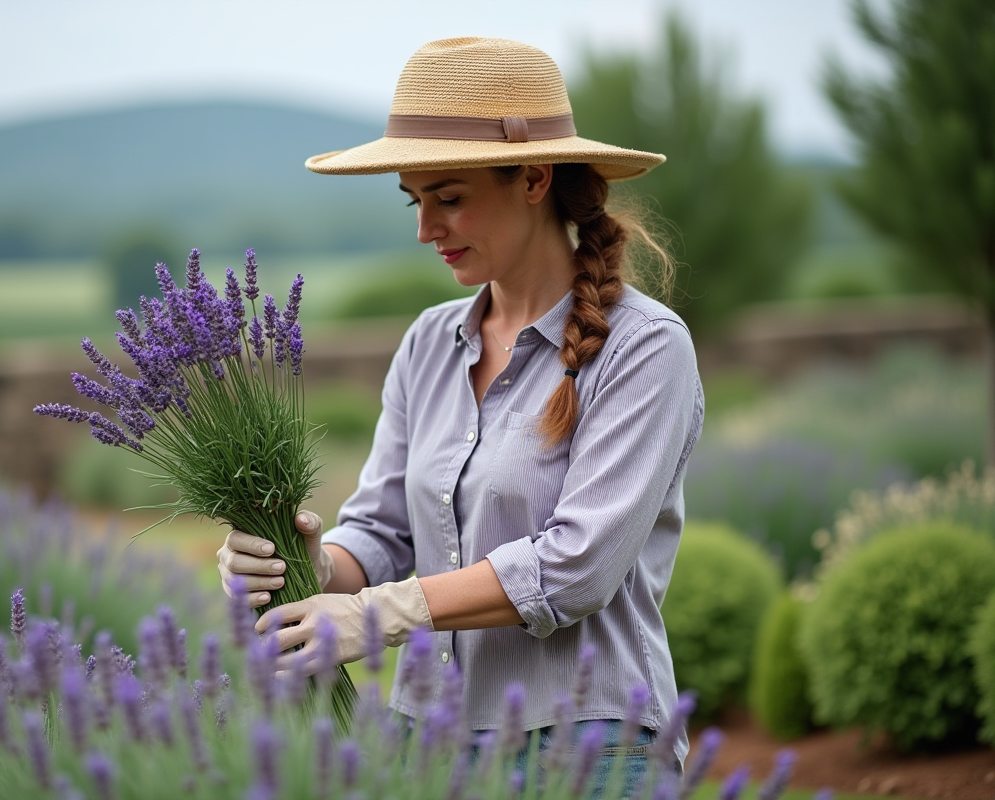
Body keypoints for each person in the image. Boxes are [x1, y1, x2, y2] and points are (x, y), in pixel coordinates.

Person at [217, 36, 703, 788]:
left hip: (592, 742)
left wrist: (380, 613)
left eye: (449, 198)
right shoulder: (428, 345)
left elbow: (577, 569)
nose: (424, 229)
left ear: (536, 177)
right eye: (416, 201)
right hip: (431, 743)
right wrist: (296, 563)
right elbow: (381, 534)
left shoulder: (645, 349)